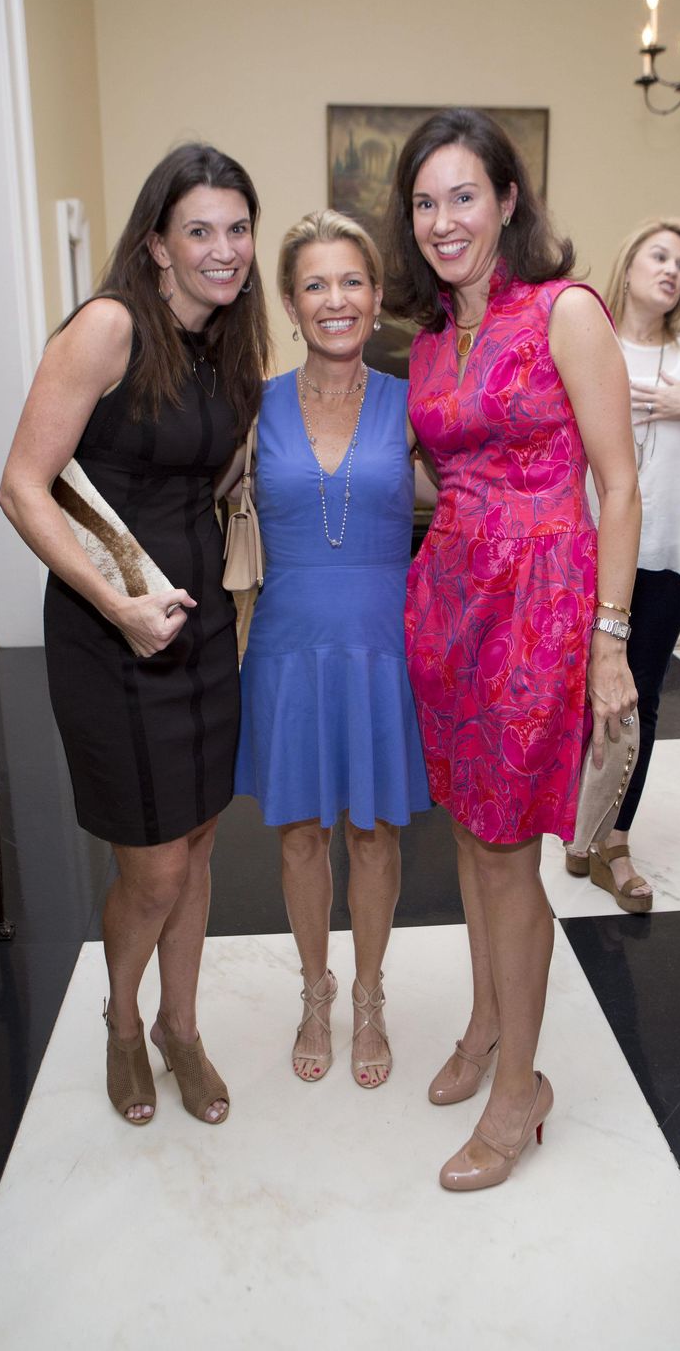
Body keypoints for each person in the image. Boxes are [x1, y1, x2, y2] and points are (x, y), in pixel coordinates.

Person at [384, 108, 640, 1189]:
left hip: (539, 608)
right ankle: (486, 1022)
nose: (443, 220)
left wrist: (609, 640)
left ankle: (519, 1090)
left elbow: (618, 485)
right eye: (423, 202)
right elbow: (445, 474)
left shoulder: (565, 312)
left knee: (506, 852)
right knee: (468, 834)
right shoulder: (433, 337)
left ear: (506, 200)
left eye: (462, 196)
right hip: (449, 603)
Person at [0, 143, 269, 1124]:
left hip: (198, 631)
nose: (223, 249)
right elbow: (22, 486)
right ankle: (121, 1020)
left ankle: (179, 1029)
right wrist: (115, 605)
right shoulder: (109, 327)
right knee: (150, 866)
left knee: (196, 847)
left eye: (237, 228)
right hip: (108, 631)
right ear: (155, 243)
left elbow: (209, 479)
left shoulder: (225, 347)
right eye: (198, 230)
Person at [233, 210, 431, 1088]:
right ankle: (316, 992)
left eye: (352, 281)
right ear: (288, 300)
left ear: (379, 297)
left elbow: (477, 491)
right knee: (301, 834)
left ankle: (371, 992)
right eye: (315, 284)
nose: (336, 299)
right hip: (289, 645)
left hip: (384, 644)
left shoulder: (412, 401)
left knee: (376, 832)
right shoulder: (253, 404)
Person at [565, 219, 680, 911]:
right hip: (587, 549)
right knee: (578, 691)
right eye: (659, 255)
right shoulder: (586, 341)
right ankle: (575, 821)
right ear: (629, 262)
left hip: (662, 556)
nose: (672, 270)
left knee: (640, 696)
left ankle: (615, 839)